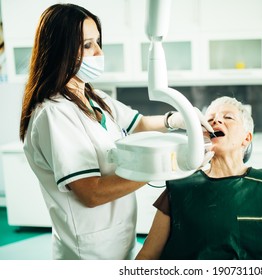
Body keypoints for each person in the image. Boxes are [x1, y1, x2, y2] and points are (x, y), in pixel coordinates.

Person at [19, 3, 212, 260]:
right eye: (87, 45)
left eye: (98, 42)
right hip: (88, 253)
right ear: (59, 49)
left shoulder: (94, 96)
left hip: (120, 239)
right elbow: (92, 192)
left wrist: (177, 119)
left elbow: (139, 123)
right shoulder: (55, 114)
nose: (99, 52)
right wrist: (171, 166)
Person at [136, 96, 262, 260]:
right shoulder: (178, 189)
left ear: (247, 138)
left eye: (228, 117)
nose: (216, 120)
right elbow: (147, 256)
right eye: (209, 119)